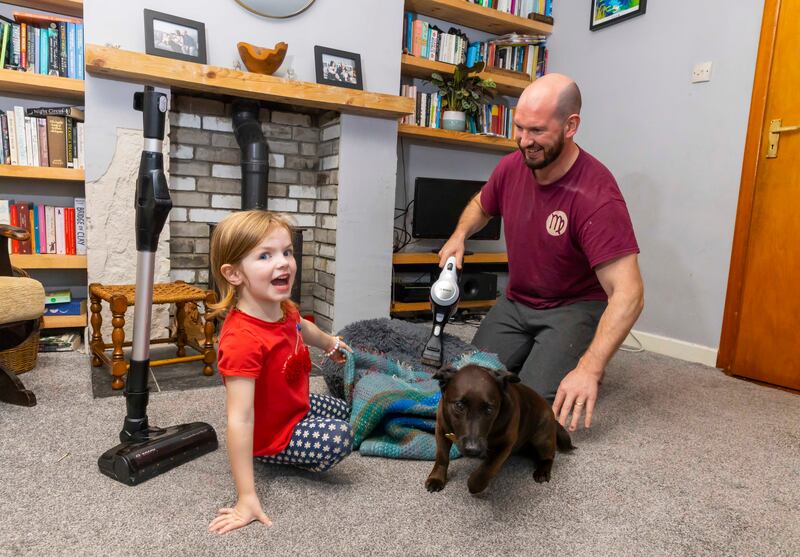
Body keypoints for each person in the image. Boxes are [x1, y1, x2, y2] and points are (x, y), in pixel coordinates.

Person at [438, 73, 644, 433]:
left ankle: (575, 355)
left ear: (570, 125)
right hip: (517, 302)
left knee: (525, 409)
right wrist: (459, 235)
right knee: (470, 386)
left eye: (536, 131)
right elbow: (482, 204)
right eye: (519, 128)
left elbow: (629, 294)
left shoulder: (596, 196)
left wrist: (589, 370)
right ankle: (541, 352)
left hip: (572, 308)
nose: (523, 141)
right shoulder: (512, 166)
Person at [207, 210, 353, 535]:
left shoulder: (284, 308)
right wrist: (246, 497)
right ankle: (274, 458)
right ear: (234, 274)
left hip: (293, 404)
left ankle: (311, 420)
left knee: (345, 411)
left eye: (287, 252)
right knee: (341, 437)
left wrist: (329, 343)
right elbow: (240, 419)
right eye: (265, 256)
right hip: (271, 436)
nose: (284, 262)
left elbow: (304, 327)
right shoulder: (241, 341)